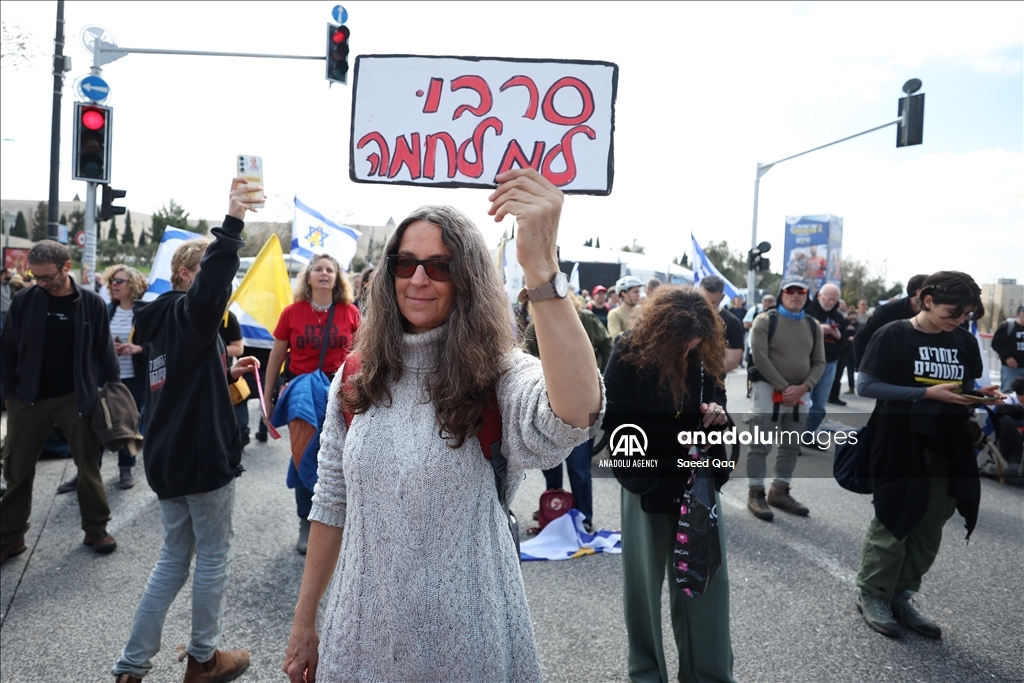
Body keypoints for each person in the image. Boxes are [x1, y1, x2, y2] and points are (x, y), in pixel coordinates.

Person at [282, 168, 602, 683]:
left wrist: (542, 272)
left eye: (440, 266)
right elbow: (331, 500)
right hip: (359, 638)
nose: (419, 278)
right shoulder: (357, 373)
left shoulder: (497, 371)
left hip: (469, 643)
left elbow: (578, 414)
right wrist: (304, 623)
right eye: (405, 263)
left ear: (469, 276)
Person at [111, 179, 263, 683]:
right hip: (200, 457)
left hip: (168, 454)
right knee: (213, 556)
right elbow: (216, 278)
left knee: (173, 559)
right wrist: (234, 219)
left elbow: (179, 379)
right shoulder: (191, 312)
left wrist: (225, 374)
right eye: (201, 275)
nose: (218, 289)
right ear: (183, 275)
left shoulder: (164, 321)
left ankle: (132, 666)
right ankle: (203, 659)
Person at [853, 271, 999, 639]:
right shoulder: (895, 334)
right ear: (928, 299)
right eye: (954, 312)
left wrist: (981, 394)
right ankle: (873, 593)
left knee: (931, 523)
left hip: (948, 442)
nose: (960, 321)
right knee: (894, 516)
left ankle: (902, 595)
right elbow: (867, 385)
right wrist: (926, 394)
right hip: (899, 439)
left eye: (966, 315)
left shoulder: (963, 340)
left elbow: (962, 386)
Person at [604, 286, 735, 683]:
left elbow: (720, 405)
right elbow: (615, 423)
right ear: (661, 330)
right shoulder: (628, 350)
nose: (686, 351)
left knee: (704, 589)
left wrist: (717, 416)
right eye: (680, 343)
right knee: (644, 593)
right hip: (647, 482)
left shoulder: (705, 355)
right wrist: (677, 436)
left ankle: (708, 675)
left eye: (694, 343)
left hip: (696, 484)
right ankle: (647, 674)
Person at [1, 240, 119, 565]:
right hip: (27, 398)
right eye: (34, 276)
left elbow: (104, 350)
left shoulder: (91, 303)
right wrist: (8, 394)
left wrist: (113, 391)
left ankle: (95, 529)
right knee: (17, 470)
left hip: (76, 397)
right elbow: (7, 349)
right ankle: (10, 538)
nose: (40, 282)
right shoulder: (24, 300)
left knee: (88, 466)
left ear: (66, 267)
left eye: (46, 277)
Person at [264, 253, 360, 554]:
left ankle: (340, 522)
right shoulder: (292, 312)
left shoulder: (350, 312)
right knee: (305, 455)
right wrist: (266, 398)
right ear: (308, 277)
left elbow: (363, 357)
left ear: (337, 278)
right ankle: (306, 521)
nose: (323, 273)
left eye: (330, 269)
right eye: (317, 268)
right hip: (300, 395)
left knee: (343, 459)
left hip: (340, 393)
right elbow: (276, 358)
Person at [523, 291, 611, 532]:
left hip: (581, 405)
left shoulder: (585, 319)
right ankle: (555, 512)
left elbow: (606, 344)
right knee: (551, 463)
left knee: (579, 467)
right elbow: (525, 360)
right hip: (547, 407)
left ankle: (584, 516)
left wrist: (597, 373)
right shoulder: (536, 326)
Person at [745, 277, 825, 521]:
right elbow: (760, 357)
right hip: (768, 388)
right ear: (781, 294)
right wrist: (784, 387)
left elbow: (819, 362)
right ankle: (755, 492)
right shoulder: (765, 321)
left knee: (791, 445)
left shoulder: (813, 325)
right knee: (760, 445)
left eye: (801, 291)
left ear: (807, 296)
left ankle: (779, 491)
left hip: (800, 392)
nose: (795, 295)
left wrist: (803, 388)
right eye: (789, 291)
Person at [853, 274, 928, 366]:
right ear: (919, 292)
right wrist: (862, 368)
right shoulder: (888, 311)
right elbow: (861, 338)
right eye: (931, 291)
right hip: (885, 367)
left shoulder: (932, 313)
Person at [805, 283, 848, 426]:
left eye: (834, 300)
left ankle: (810, 435)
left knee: (820, 403)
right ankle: (795, 437)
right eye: (828, 299)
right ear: (819, 296)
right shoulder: (807, 311)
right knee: (805, 401)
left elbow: (845, 342)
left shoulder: (837, 316)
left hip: (830, 362)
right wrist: (817, 329)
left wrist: (839, 336)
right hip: (808, 361)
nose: (830, 303)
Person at [698, 275, 744, 373]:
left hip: (715, 380)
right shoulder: (687, 316)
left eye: (713, 302)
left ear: (722, 297)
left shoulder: (732, 323)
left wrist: (707, 375)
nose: (708, 306)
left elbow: (733, 360)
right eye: (704, 300)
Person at [991, 305, 1024, 392]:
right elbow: (996, 343)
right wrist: (1007, 357)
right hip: (1012, 368)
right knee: (1009, 393)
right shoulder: (1008, 326)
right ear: (1018, 314)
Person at [831, 309, 861, 399]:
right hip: (845, 351)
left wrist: (855, 337)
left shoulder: (860, 326)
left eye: (854, 318)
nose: (852, 320)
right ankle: (850, 387)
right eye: (850, 318)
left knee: (858, 369)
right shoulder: (844, 324)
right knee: (847, 370)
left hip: (856, 351)